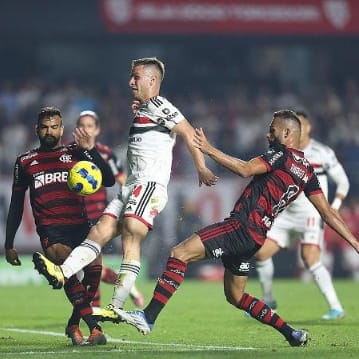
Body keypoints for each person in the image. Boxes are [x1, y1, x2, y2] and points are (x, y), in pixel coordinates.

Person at [109, 110, 359, 346]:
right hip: (256, 236)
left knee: (179, 253)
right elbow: (328, 213)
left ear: (286, 134)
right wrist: (356, 243)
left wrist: (207, 149)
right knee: (236, 296)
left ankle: (148, 317)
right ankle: (291, 333)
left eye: (272, 131)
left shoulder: (281, 154)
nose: (267, 135)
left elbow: (245, 169)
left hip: (241, 226)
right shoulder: (306, 171)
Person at [32, 57, 218, 321]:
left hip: (149, 185)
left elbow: (188, 132)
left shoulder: (159, 104)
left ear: (152, 80)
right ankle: (63, 272)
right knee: (100, 231)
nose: (130, 81)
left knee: (131, 233)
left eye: (136, 77)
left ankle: (117, 306)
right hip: (131, 186)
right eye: (131, 76)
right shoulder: (146, 108)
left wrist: (201, 166)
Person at [5, 106, 115, 345]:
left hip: (81, 226)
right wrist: (8, 243)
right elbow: (15, 205)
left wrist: (92, 150)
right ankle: (94, 328)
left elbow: (108, 179)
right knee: (69, 271)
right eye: (44, 127)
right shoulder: (25, 162)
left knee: (94, 272)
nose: (49, 131)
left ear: (62, 129)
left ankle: (73, 323)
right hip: (51, 231)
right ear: (36, 129)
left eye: (54, 127)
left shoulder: (76, 152)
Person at [254, 110, 349, 320]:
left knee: (310, 258)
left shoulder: (322, 152)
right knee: (260, 253)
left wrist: (335, 205)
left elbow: (343, 181)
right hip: (286, 213)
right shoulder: (280, 152)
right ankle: (269, 301)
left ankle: (336, 307)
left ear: (307, 128)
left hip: (311, 213)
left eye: (303, 125)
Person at [76, 110, 144, 308]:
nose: (85, 130)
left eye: (90, 126)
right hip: (76, 216)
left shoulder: (105, 154)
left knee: (89, 266)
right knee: (90, 266)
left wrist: (129, 209)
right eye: (82, 125)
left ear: (97, 130)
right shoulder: (69, 153)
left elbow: (123, 182)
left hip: (96, 216)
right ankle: (127, 287)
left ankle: (93, 311)